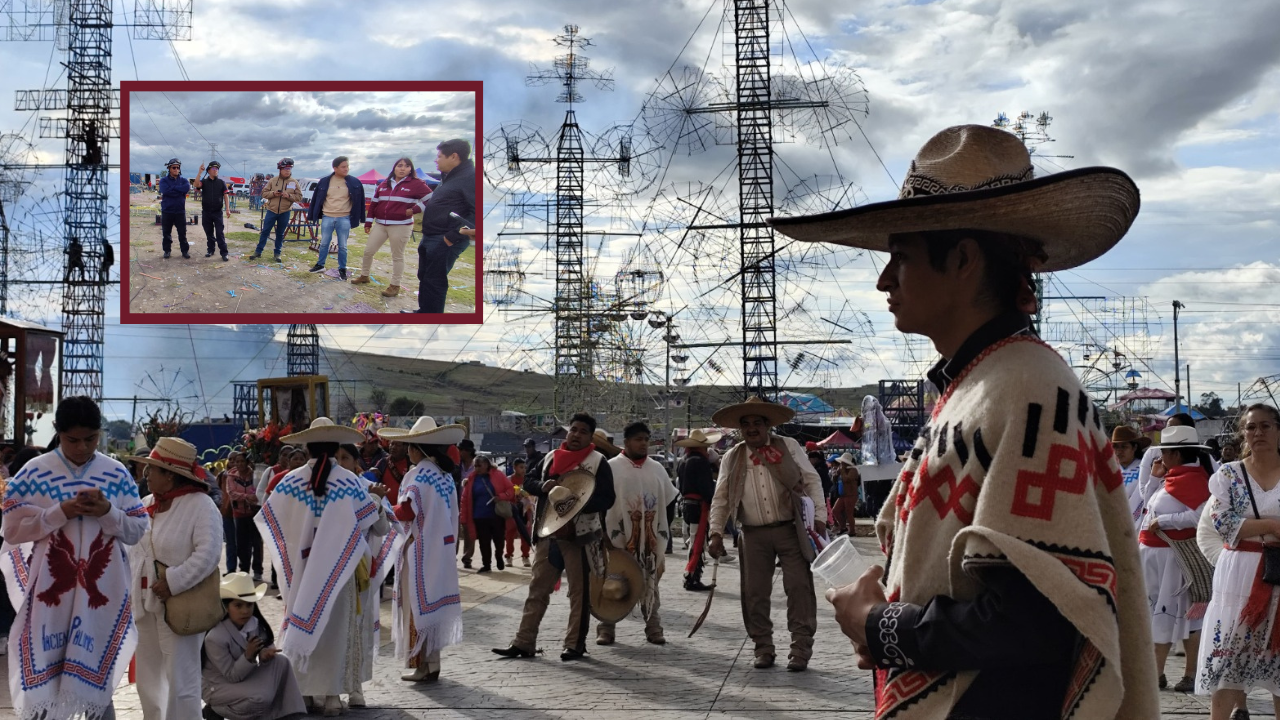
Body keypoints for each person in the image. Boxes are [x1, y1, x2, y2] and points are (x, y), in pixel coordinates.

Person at [773, 124, 1158, 717]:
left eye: (900, 256)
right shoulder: (983, 382)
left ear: (962, 258)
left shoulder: (1026, 387)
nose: (884, 280)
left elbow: (1035, 622)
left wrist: (879, 626)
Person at [2, 396, 149, 720]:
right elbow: (12, 532)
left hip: (102, 593)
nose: (82, 447)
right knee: (46, 676)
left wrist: (108, 512)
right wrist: (59, 512)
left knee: (98, 682)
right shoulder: (35, 473)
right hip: (50, 596)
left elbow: (137, 529)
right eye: (73, 440)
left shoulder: (116, 474)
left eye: (91, 439)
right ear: (58, 433)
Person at [254, 418, 380, 717]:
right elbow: (366, 521)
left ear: (307, 447)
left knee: (302, 620)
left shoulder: (289, 481)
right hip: (339, 569)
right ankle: (332, 696)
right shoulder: (349, 481)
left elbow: (270, 520)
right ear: (336, 448)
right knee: (334, 630)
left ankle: (306, 695)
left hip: (303, 568)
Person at [706, 397, 826, 671]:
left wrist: (819, 516)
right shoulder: (732, 457)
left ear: (767, 425)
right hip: (752, 534)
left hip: (790, 529)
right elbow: (721, 497)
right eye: (745, 424)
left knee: (799, 587)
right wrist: (715, 532)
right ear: (739, 429)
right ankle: (763, 647)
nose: (751, 428)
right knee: (755, 593)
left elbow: (811, 480)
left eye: (757, 423)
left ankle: (800, 648)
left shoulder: (789, 447)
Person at [492, 413, 617, 661]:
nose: (576, 435)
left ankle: (575, 644)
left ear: (590, 436)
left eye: (582, 431)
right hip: (548, 533)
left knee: (579, 593)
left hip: (579, 536)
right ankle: (524, 641)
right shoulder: (551, 458)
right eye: (573, 429)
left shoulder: (598, 462)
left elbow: (607, 498)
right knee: (537, 589)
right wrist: (545, 486)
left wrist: (577, 501)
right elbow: (529, 481)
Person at [129, 437, 224, 720]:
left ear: (169, 474)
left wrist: (173, 581)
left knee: (182, 680)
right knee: (148, 678)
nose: (146, 474)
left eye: (153, 469)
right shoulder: (146, 503)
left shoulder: (201, 505)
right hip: (144, 606)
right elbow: (131, 550)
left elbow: (208, 554)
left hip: (181, 606)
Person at [1196, 405, 1280, 720]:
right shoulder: (1229, 474)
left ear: (1278, 429)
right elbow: (1220, 520)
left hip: (1277, 568)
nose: (1258, 433)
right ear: (1243, 433)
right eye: (1251, 427)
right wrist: (1271, 527)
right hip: (1240, 572)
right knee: (1229, 653)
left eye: (1266, 426)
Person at [377, 417, 467, 682]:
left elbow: (407, 510)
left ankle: (422, 665)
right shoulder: (444, 475)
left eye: (410, 446)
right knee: (433, 605)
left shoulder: (418, 474)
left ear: (418, 449)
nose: (407, 451)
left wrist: (382, 507)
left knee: (417, 605)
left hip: (419, 549)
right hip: (441, 548)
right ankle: (432, 662)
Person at [1138, 425, 1212, 692]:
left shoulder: (1194, 481)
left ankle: (1178, 673)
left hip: (1173, 559)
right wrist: (1156, 479)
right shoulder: (1172, 477)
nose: (1160, 458)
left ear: (1177, 453)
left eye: (1165, 453)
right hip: (1155, 558)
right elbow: (1148, 506)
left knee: (1177, 615)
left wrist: (1164, 521)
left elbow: (1200, 517)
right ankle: (1160, 672)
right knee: (1162, 614)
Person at [599, 421, 678, 645]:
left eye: (646, 439)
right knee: (612, 580)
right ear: (626, 442)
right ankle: (606, 626)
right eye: (638, 439)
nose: (643, 443)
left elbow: (670, 500)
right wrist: (606, 533)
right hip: (617, 538)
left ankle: (653, 625)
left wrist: (661, 530)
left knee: (649, 579)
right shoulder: (612, 467)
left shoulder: (657, 469)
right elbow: (602, 504)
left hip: (651, 539)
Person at [201, 572, 307, 720]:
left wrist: (264, 654)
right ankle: (216, 710)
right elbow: (232, 676)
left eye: (249, 604)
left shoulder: (254, 624)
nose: (245, 611)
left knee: (282, 662)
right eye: (238, 605)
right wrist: (249, 656)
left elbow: (264, 650)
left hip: (244, 678)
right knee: (260, 698)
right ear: (225, 606)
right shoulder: (215, 637)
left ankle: (291, 713)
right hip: (219, 686)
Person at [402, 139, 476, 314]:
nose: (436, 160)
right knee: (425, 276)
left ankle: (432, 317)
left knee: (435, 280)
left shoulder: (470, 177)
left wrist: (453, 236)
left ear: (454, 156)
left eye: (439, 156)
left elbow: (477, 213)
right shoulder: (450, 176)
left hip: (445, 238)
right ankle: (424, 311)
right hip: (431, 236)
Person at [354, 156, 431, 297]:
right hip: (381, 224)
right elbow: (374, 204)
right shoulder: (384, 184)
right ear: (394, 167)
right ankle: (364, 276)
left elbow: (431, 199)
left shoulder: (416, 184)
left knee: (397, 256)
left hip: (401, 225)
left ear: (410, 169)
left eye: (406, 166)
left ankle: (395, 286)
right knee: (368, 251)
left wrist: (414, 210)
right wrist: (368, 222)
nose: (402, 168)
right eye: (399, 165)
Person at [307, 156, 366, 280]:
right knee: (324, 243)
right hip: (327, 216)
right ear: (335, 168)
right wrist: (313, 215)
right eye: (343, 167)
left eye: (347, 166)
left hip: (344, 218)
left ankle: (342, 268)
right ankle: (320, 265)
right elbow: (316, 200)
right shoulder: (324, 182)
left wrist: (361, 218)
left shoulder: (354, 182)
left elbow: (360, 201)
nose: (346, 169)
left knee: (343, 246)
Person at [675, 429, 720, 591]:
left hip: (687, 504)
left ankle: (692, 575)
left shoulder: (684, 460)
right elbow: (706, 488)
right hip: (697, 505)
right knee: (696, 542)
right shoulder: (700, 461)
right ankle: (691, 576)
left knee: (695, 540)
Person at [461, 455, 515, 573]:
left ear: (486, 465)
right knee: (483, 542)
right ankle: (486, 564)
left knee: (499, 540)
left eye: (479, 465)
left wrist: (500, 497)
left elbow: (510, 490)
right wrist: (463, 517)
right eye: (475, 466)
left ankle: (499, 556)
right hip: (479, 516)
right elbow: (465, 499)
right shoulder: (471, 479)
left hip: (496, 515)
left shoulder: (498, 475)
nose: (477, 468)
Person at [250, 158, 303, 264]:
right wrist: (274, 193)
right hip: (272, 210)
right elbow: (264, 194)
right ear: (280, 169)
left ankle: (277, 253)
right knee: (265, 231)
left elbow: (299, 197)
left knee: (280, 233)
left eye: (289, 168)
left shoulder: (294, 182)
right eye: (285, 168)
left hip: (285, 211)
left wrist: (288, 196)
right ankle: (258, 251)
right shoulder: (273, 181)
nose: (287, 170)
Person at [224, 451, 263, 582]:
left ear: (247, 462)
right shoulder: (231, 476)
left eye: (242, 461)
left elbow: (259, 490)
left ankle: (257, 570)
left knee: (256, 542)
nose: (239, 464)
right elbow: (232, 493)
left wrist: (253, 498)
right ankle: (244, 570)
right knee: (241, 544)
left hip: (254, 513)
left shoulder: (256, 474)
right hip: (239, 514)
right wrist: (247, 497)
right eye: (237, 461)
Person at [1114, 425, 1154, 528]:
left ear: (1135, 447)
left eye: (1124, 446)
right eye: (1116, 447)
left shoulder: (1145, 469)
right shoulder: (1108, 470)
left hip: (1139, 524)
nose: (1119, 451)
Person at [193, 160, 232, 261]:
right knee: (209, 232)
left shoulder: (221, 182)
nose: (216, 170)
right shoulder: (204, 182)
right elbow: (196, 185)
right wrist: (199, 172)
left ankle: (224, 252)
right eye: (214, 168)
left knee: (219, 233)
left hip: (217, 212)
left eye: (217, 169)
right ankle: (210, 249)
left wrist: (228, 209)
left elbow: (226, 196)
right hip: (206, 212)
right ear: (209, 170)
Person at [159, 157, 191, 260]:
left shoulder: (184, 180)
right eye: (174, 167)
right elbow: (165, 191)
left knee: (182, 233)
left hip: (180, 211)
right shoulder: (163, 180)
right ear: (169, 168)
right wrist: (179, 191)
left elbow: (186, 188)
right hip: (167, 211)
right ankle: (167, 251)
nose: (176, 169)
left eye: (178, 167)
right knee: (166, 233)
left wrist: (173, 188)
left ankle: (184, 251)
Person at [505, 458, 534, 567]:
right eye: (521, 467)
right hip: (511, 509)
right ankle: (508, 556)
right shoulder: (508, 480)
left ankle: (525, 556)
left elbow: (532, 496)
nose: (523, 470)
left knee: (525, 533)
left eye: (525, 467)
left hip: (525, 511)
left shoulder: (528, 480)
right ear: (514, 468)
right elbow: (505, 493)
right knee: (510, 533)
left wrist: (526, 496)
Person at [830, 452, 861, 535]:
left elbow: (846, 479)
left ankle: (852, 530)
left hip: (851, 494)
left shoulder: (853, 470)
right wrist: (836, 474)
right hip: (843, 494)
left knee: (849, 512)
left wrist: (842, 470)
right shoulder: (841, 470)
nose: (841, 464)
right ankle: (843, 527)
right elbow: (834, 480)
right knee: (835, 511)